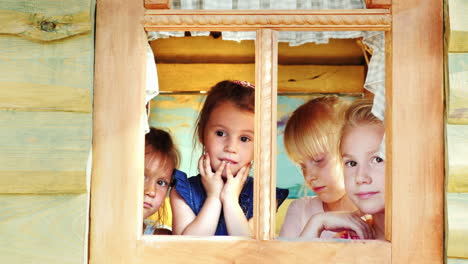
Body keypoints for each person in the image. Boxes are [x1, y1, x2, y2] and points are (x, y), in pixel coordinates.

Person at [170, 80, 289, 236]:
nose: (231, 147)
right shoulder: (182, 190)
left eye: (244, 139)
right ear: (202, 133)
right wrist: (213, 198)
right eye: (220, 133)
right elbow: (186, 252)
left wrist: (230, 200)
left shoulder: (264, 197)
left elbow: (251, 253)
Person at [299, 99, 385, 240]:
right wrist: (316, 223)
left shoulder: (430, 237)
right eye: (351, 163)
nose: (360, 177)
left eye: (377, 159)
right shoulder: (347, 241)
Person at [279, 96, 358, 238]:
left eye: (318, 160)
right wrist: (317, 223)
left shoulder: (378, 214)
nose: (308, 176)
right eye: (302, 166)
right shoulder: (300, 211)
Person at [143, 127, 180, 235]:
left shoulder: (161, 237)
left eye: (161, 183)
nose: (151, 191)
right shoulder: (93, 230)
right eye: (143, 176)